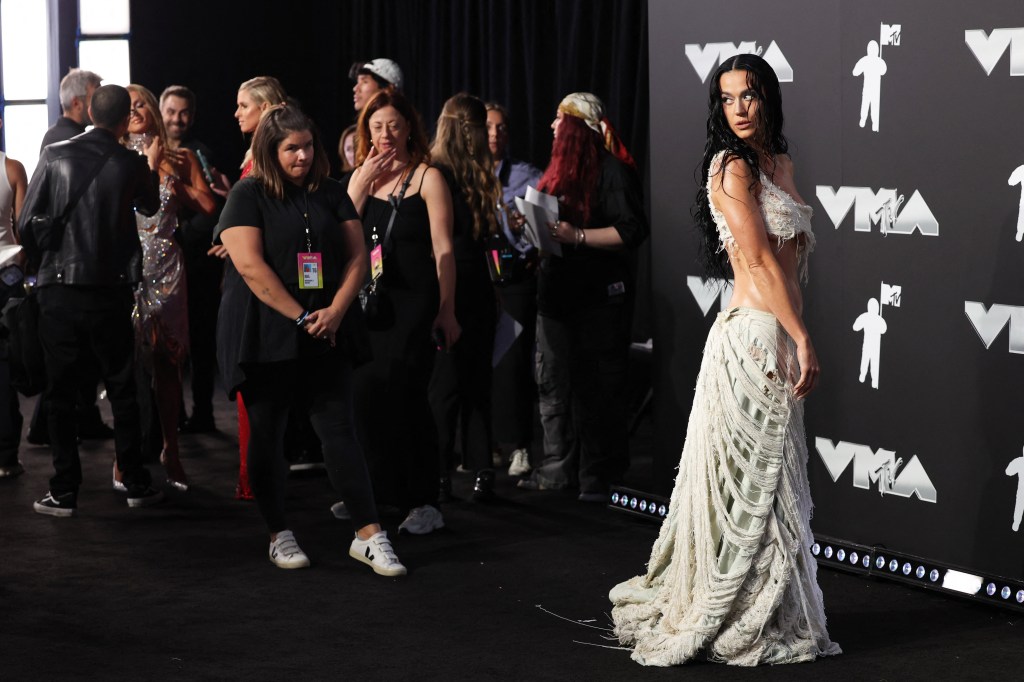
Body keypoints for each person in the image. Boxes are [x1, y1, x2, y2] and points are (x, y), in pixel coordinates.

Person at [608, 54, 841, 666]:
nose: (738, 108)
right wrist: (803, 337)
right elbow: (760, 263)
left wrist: (796, 334)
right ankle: (729, 608)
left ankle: (770, 610)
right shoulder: (731, 168)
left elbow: (789, 265)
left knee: (775, 487)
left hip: (780, 333)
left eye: (750, 95)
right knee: (747, 489)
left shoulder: (781, 164)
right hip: (750, 340)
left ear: (767, 99)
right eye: (728, 97)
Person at [216, 103, 405, 575]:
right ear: (270, 151)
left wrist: (337, 311)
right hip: (267, 330)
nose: (302, 156)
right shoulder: (248, 193)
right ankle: (278, 532)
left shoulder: (330, 193)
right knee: (270, 432)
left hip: (328, 323)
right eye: (290, 149)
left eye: (307, 146)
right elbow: (250, 267)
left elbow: (358, 257)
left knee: (339, 428)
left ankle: (369, 534)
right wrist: (302, 317)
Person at [19, 84, 165, 516]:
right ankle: (135, 482)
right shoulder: (132, 163)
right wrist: (150, 169)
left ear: (89, 114)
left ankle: (64, 491)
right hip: (111, 290)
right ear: (124, 121)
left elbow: (28, 223)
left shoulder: (55, 154)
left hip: (59, 289)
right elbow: (151, 207)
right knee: (122, 388)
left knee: (61, 392)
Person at [519, 93, 647, 502]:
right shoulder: (556, 173)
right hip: (556, 297)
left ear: (576, 128)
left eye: (560, 120)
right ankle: (558, 470)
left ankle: (599, 475)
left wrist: (576, 236)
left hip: (598, 300)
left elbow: (631, 231)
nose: (553, 127)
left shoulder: (612, 172)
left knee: (598, 388)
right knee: (554, 385)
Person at [346, 90, 458, 533]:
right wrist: (358, 187)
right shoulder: (361, 178)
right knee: (366, 397)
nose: (386, 134)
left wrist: (448, 309)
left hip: (415, 304)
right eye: (376, 127)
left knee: (406, 395)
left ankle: (424, 498)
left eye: (393, 125)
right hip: (371, 305)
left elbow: (443, 248)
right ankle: (380, 491)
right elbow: (342, 240)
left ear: (410, 126)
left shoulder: (428, 177)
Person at [116, 84, 215, 491]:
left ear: (153, 110)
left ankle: (171, 448)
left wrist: (171, 178)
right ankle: (125, 457)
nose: (136, 109)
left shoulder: (181, 156)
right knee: (126, 365)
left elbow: (208, 206)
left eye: (141, 102)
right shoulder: (115, 157)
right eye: (128, 104)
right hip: (127, 267)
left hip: (168, 267)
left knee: (167, 362)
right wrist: (142, 165)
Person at [30, 67, 112, 445]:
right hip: (72, 271)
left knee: (69, 361)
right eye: (95, 95)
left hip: (61, 270)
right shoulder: (69, 143)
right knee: (72, 362)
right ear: (79, 102)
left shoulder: (57, 140)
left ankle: (57, 424)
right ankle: (52, 427)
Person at [428, 93, 502, 501]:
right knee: (459, 384)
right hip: (455, 287)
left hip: (467, 287)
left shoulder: (458, 172)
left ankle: (460, 472)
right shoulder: (438, 173)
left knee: (459, 384)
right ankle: (465, 472)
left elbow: (479, 241)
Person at [228, 76, 289, 499]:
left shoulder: (268, 162)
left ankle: (257, 480)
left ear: (266, 110)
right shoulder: (254, 158)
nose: (236, 114)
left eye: (244, 105)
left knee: (256, 383)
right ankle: (254, 476)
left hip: (261, 282)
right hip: (247, 276)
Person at [160, 84, 226, 433]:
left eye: (184, 112)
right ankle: (173, 414)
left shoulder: (200, 154)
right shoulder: (147, 151)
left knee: (201, 339)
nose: (177, 119)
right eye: (171, 111)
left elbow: (212, 210)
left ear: (193, 116)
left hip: (196, 262)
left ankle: (203, 412)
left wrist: (180, 239)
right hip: (160, 266)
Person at [485, 102, 543, 478]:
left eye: (502, 128)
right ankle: (484, 446)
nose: (495, 135)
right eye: (488, 127)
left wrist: (523, 225)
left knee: (515, 365)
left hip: (515, 280)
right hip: (476, 280)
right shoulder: (460, 175)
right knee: (481, 367)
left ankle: (520, 445)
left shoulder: (527, 175)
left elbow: (543, 232)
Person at [0, 115, 27, 479]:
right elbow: (26, 228)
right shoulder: (12, 168)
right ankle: (5, 456)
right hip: (6, 273)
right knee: (4, 365)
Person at [38, 68, 102, 153]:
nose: (101, 104)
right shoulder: (82, 142)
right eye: (95, 99)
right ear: (76, 103)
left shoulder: (50, 135)